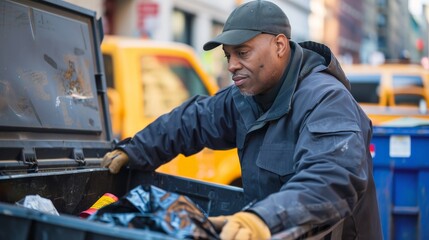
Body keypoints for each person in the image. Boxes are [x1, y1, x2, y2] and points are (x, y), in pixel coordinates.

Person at [101, 0, 382, 239]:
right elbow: (193, 121)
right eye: (228, 55)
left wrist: (262, 218)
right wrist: (136, 150)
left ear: (280, 46)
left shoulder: (326, 100)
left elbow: (331, 177)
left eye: (242, 52)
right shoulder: (247, 96)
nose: (232, 64)